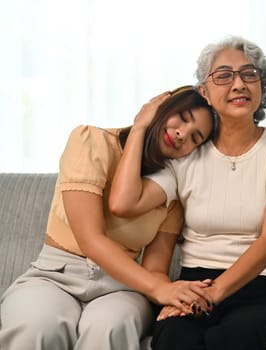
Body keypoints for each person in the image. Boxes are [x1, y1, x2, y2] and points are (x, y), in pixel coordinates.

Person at [109, 36, 266, 350]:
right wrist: (140, 128)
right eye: (224, 75)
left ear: (262, 85)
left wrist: (213, 294)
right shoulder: (187, 156)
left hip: (263, 289)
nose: (239, 84)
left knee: (228, 340)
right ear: (204, 92)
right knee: (174, 338)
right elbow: (124, 202)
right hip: (194, 284)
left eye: (249, 74)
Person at [0, 86, 216, 350]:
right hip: (55, 276)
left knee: (110, 327)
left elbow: (155, 270)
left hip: (121, 288)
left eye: (195, 138)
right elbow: (90, 238)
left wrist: (176, 293)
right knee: (38, 325)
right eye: (182, 117)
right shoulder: (90, 141)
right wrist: (139, 128)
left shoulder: (170, 192)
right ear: (161, 106)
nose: (182, 134)